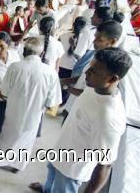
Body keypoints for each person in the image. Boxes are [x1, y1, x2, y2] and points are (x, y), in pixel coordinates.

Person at [30, 48, 132, 193]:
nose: (86, 73)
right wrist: (61, 83)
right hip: (60, 151)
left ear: (112, 79)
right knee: (51, 177)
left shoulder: (109, 118)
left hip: (71, 170)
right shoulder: (96, 86)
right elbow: (84, 94)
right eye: (90, 67)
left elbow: (105, 165)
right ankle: (47, 189)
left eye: (94, 71)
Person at [0, 37, 61, 172]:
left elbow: (4, 92)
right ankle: (18, 165)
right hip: (34, 115)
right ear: (42, 53)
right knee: (26, 140)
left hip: (13, 111)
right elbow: (52, 103)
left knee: (7, 136)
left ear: (24, 51)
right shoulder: (50, 73)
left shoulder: (14, 67)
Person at [62, 21, 123, 120]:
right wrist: (64, 80)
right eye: (95, 37)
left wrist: (64, 86)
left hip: (82, 112)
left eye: (99, 39)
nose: (94, 42)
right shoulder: (98, 54)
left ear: (111, 41)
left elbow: (86, 92)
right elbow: (83, 76)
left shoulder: (106, 66)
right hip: (73, 106)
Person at [71, 7, 114, 77]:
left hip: (79, 71)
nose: (91, 18)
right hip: (90, 72)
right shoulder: (106, 34)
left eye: (94, 16)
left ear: (100, 20)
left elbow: (78, 55)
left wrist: (73, 46)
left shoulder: (87, 33)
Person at [59, 17, 88, 102]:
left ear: (73, 24)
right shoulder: (83, 39)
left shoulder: (63, 36)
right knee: (65, 90)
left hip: (60, 64)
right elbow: (81, 56)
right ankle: (59, 105)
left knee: (57, 86)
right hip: (72, 68)